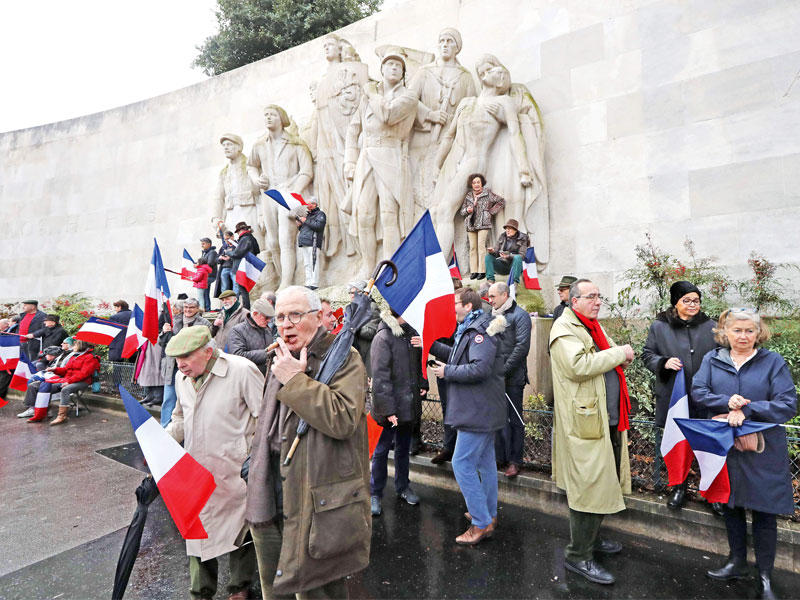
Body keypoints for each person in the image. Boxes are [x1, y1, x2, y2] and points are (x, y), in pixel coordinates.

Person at [245, 286, 370, 598]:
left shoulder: (344, 357)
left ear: (318, 318)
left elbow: (343, 419)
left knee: (317, 590)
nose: (285, 324)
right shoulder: (281, 356)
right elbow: (268, 424)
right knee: (273, 589)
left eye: (295, 315)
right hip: (268, 489)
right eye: (280, 317)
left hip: (314, 499)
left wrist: (296, 381)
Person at [693, 309, 797, 599]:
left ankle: (765, 575)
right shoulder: (712, 360)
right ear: (725, 332)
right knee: (731, 504)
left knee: (764, 511)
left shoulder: (772, 361)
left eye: (749, 331)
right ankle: (736, 562)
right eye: (736, 330)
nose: (743, 336)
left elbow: (788, 403)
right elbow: (698, 392)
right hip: (726, 446)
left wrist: (746, 408)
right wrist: (726, 402)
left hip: (763, 448)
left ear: (758, 332)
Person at [165, 326, 263, 600]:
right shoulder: (182, 377)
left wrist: (253, 461)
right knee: (195, 534)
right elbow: (180, 418)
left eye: (186, 357)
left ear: (208, 352)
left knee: (240, 532)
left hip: (234, 471)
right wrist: (160, 443)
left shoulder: (241, 370)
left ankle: (239, 587)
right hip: (195, 473)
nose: (180, 364)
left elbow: (266, 420)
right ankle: (200, 592)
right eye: (176, 359)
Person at [549, 279, 635, 585]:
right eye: (591, 297)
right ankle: (578, 555)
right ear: (575, 302)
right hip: (584, 425)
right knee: (588, 488)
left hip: (605, 420)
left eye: (600, 296)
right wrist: (620, 353)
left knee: (601, 483)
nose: (598, 301)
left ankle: (592, 541)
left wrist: (617, 353)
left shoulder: (591, 326)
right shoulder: (564, 330)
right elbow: (579, 366)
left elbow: (606, 356)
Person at [428, 287, 506, 545]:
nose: (452, 309)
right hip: (481, 410)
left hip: (477, 411)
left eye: (455, 304)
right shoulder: (472, 329)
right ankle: (488, 515)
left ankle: (480, 523)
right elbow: (459, 355)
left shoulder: (479, 333)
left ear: (468, 306)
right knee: (484, 464)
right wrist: (430, 345)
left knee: (462, 464)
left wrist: (447, 372)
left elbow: (479, 368)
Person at [641, 281, 717, 509]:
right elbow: (647, 355)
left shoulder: (711, 326)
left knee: (708, 446)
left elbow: (723, 355)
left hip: (706, 397)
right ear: (676, 302)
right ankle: (679, 488)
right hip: (675, 397)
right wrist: (663, 362)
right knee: (679, 444)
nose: (693, 305)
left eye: (696, 300)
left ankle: (713, 493)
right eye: (687, 300)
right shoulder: (660, 326)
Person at [344, 47, 418, 275]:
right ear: (382, 69)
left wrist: (372, 94)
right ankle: (367, 268)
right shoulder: (368, 98)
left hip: (391, 155)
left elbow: (388, 115)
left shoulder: (409, 96)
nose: (394, 68)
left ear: (403, 72)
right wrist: (350, 160)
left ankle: (390, 267)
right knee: (364, 214)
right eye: (389, 64)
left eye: (398, 65)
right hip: (367, 156)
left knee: (389, 214)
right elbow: (353, 129)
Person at [248, 104, 314, 289]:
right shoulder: (259, 145)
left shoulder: (295, 142)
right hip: (269, 194)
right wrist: (256, 178)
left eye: (272, 114)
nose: (268, 118)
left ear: (281, 118)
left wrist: (296, 192)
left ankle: (287, 282)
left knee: (286, 239)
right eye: (266, 115)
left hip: (289, 193)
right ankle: (281, 277)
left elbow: (307, 170)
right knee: (273, 241)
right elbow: (251, 165)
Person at [369, 309, 427, 516]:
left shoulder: (411, 333)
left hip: (408, 405)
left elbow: (418, 365)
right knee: (382, 451)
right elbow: (380, 378)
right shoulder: (383, 337)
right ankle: (375, 493)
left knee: (403, 448)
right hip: (391, 408)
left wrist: (423, 383)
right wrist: (389, 410)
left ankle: (403, 487)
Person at [487, 281, 532, 478]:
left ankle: (515, 461)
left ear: (504, 295)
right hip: (495, 379)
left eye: (493, 297)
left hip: (512, 378)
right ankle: (499, 457)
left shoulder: (520, 316)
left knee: (515, 420)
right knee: (497, 419)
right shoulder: (493, 315)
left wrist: (502, 371)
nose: (489, 300)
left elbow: (521, 347)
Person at [159, 299, 211, 427]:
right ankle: (165, 429)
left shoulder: (204, 324)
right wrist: (164, 333)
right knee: (168, 399)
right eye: (186, 307)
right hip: (172, 366)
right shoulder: (174, 320)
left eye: (191, 307)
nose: (188, 310)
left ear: (197, 309)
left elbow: (207, 344)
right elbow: (163, 344)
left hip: (192, 367)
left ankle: (189, 428)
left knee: (190, 399)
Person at [460, 174, 505, 280]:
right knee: (472, 248)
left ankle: (482, 271)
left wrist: (489, 212)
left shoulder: (487, 193)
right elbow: (462, 211)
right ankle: (474, 271)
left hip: (483, 223)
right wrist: (467, 210)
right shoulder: (468, 196)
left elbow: (501, 201)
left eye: (478, 182)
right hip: (471, 224)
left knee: (481, 247)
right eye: (474, 183)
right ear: (471, 184)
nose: (476, 184)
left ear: (482, 183)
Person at [47, 339, 100, 426]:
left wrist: (69, 381)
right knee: (47, 387)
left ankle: (62, 416)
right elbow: (66, 370)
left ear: (80, 346)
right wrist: (55, 370)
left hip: (83, 381)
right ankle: (44, 410)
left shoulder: (90, 357)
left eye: (75, 345)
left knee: (65, 389)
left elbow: (84, 374)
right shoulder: (74, 356)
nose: (73, 347)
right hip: (69, 380)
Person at [218, 222, 261, 309]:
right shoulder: (251, 238)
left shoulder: (245, 238)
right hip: (247, 266)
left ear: (240, 230)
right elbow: (257, 250)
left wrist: (228, 252)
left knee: (242, 289)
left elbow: (238, 253)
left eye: (237, 232)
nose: (238, 234)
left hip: (241, 267)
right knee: (244, 289)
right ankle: (245, 308)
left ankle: (244, 309)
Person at [228, 298, 275, 375]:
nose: (269, 321)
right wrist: (267, 353)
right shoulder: (237, 331)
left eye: (270, 318)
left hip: (267, 378)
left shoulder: (267, 329)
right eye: (266, 317)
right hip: (248, 379)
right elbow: (238, 355)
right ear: (255, 313)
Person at [348, 280, 381, 375]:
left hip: (366, 354)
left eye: (356, 292)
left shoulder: (372, 307)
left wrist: (355, 326)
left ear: (364, 293)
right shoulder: (351, 308)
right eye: (350, 292)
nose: (353, 295)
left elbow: (372, 332)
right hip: (353, 354)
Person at [485, 219, 529, 285]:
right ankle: (490, 281)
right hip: (502, 265)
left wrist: (509, 256)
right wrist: (492, 251)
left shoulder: (523, 238)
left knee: (518, 258)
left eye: (509, 229)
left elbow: (522, 255)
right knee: (488, 256)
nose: (507, 230)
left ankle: (514, 283)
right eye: (506, 229)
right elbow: (496, 252)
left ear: (515, 230)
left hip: (515, 266)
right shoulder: (502, 236)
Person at [295, 196, 326, 290]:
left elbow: (319, 226)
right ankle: (308, 282)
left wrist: (306, 221)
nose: (306, 206)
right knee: (307, 264)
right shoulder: (308, 215)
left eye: (308, 204)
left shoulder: (320, 214)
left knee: (314, 262)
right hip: (305, 242)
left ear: (314, 204)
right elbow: (306, 228)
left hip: (313, 241)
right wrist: (300, 226)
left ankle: (314, 283)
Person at [199, 237, 219, 309]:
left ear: (209, 244)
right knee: (205, 293)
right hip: (206, 276)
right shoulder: (205, 253)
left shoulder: (212, 252)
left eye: (203, 244)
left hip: (210, 276)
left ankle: (207, 309)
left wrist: (199, 263)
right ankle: (206, 308)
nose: (202, 245)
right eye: (202, 244)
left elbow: (210, 263)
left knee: (204, 293)